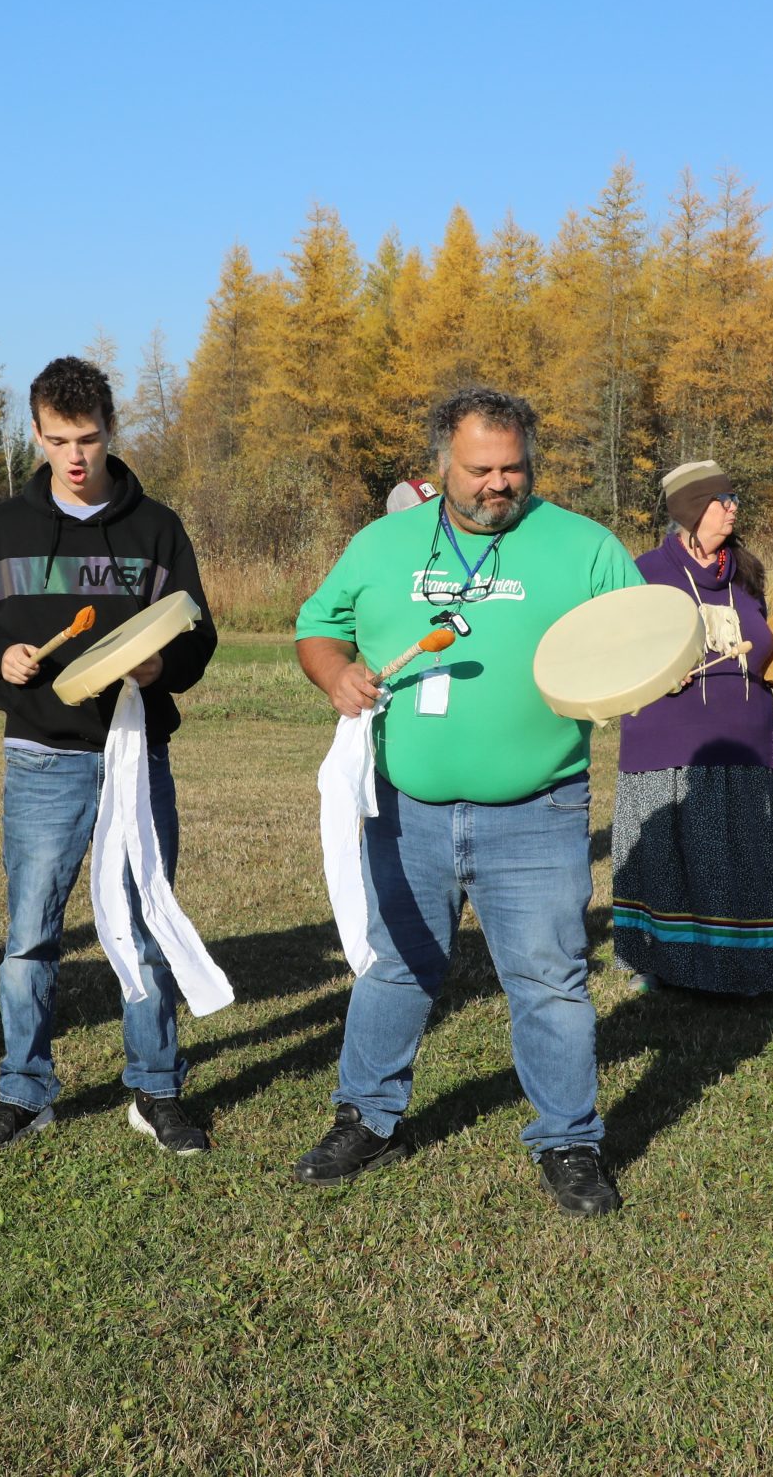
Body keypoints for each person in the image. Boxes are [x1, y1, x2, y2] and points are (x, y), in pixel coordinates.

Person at [292, 386, 642, 1216]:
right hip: (404, 808)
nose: (498, 484)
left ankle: (569, 1141)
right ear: (441, 463)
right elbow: (318, 625)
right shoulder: (382, 543)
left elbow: (641, 639)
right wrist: (334, 672)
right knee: (396, 964)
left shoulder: (585, 547)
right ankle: (366, 1117)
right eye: (480, 469)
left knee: (549, 978)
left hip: (539, 809)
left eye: (512, 467)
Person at [0, 356, 220, 1154]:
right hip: (40, 756)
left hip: (135, 754)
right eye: (59, 439)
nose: (75, 455)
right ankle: (24, 1091)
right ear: (36, 433)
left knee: (143, 920)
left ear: (110, 431)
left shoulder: (157, 527)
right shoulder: (2, 526)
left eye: (89, 439)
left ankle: (156, 1088)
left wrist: (161, 665)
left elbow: (198, 634)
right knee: (30, 933)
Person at [610, 458, 773, 997]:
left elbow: (768, 645)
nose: (733, 508)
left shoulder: (747, 573)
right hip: (667, 748)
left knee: (744, 861)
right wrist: (657, 673)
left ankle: (745, 971)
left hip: (746, 749)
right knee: (669, 862)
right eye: (722, 500)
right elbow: (618, 652)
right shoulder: (644, 574)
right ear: (691, 510)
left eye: (734, 498)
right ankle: (659, 964)